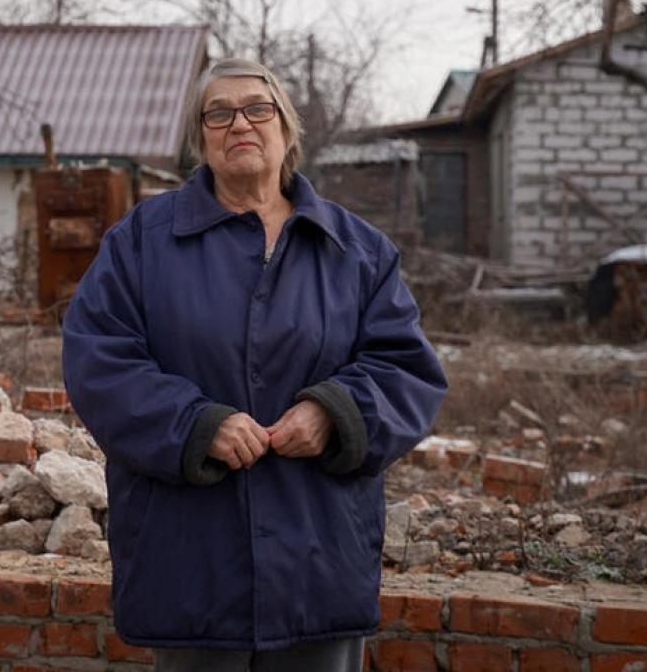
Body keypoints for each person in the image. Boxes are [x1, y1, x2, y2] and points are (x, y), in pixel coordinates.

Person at [61, 58, 447, 671]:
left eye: (257, 108)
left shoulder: (358, 252)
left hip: (318, 555)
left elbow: (407, 370)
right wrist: (193, 424)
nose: (239, 122)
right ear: (201, 137)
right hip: (191, 557)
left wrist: (335, 412)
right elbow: (97, 359)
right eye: (219, 113)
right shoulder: (141, 242)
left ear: (286, 129)